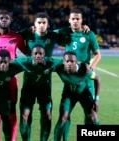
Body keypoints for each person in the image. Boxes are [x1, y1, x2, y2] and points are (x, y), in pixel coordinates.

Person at [54, 8, 101, 140]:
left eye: (78, 19)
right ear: (69, 20)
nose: (75, 21)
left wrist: (90, 67)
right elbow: (48, 33)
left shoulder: (88, 34)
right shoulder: (65, 32)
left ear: (81, 20)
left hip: (85, 78)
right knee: (64, 115)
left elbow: (98, 54)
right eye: (73, 19)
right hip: (70, 77)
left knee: (90, 114)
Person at [0, 10, 26, 141]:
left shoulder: (17, 37)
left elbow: (28, 52)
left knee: (11, 111)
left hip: (11, 79)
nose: (4, 20)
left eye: (6, 18)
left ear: (10, 20)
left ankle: (11, 139)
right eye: (1, 18)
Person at [13, 44, 61, 141]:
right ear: (31, 54)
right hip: (28, 90)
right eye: (35, 53)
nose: (38, 56)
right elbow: (6, 61)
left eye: (40, 53)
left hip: (44, 90)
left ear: (44, 54)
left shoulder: (50, 61)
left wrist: (84, 65)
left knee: (47, 116)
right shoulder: (25, 61)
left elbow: (65, 62)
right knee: (25, 116)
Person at [52, 51, 100, 141]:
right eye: (67, 61)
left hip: (83, 94)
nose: (69, 63)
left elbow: (97, 79)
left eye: (72, 61)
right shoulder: (59, 68)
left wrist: (97, 99)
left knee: (93, 117)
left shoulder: (85, 70)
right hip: (68, 95)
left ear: (76, 62)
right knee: (63, 118)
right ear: (63, 62)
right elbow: (47, 66)